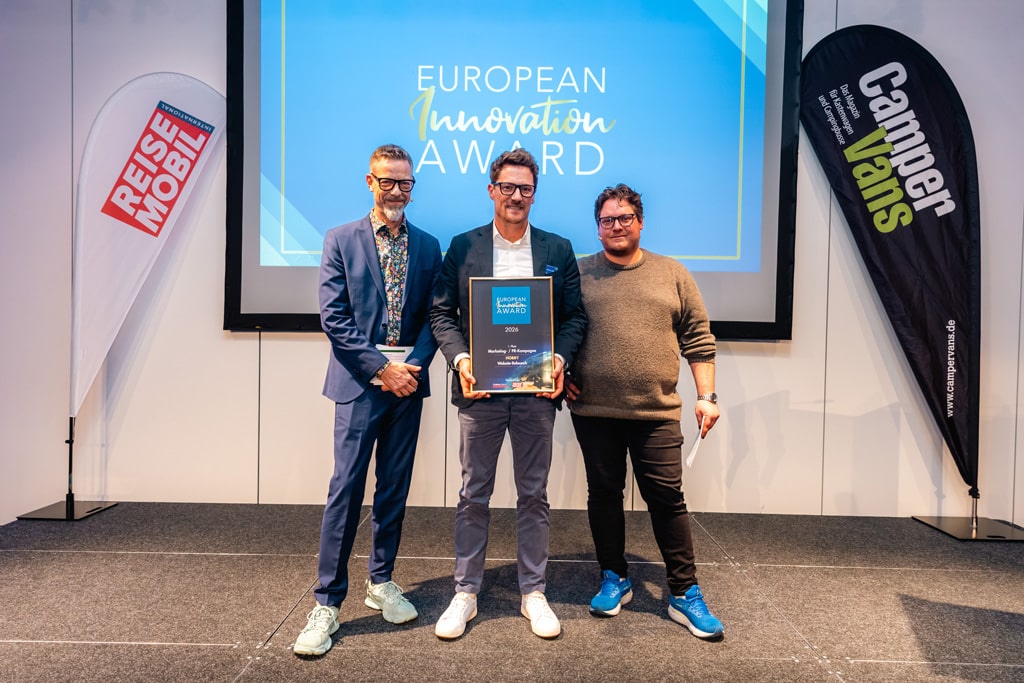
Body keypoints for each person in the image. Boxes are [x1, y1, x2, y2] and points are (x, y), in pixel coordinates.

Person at [429, 148, 587, 640]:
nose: (516, 196)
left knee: (533, 494)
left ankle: (533, 591)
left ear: (534, 195)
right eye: (508, 187)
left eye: (525, 189)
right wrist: (462, 360)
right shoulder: (463, 246)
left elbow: (575, 317)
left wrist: (558, 359)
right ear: (491, 190)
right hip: (480, 393)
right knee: (473, 493)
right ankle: (466, 592)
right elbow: (441, 313)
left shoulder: (558, 249)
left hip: (536, 393)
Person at [293, 144, 443, 656]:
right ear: (370, 182)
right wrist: (382, 369)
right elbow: (334, 318)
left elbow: (436, 316)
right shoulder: (340, 239)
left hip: (408, 385)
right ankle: (327, 602)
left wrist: (410, 368)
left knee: (393, 490)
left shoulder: (429, 246)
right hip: (361, 384)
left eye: (405, 183)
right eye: (388, 181)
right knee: (346, 490)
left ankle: (381, 581)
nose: (397, 191)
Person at [565, 183, 724, 640]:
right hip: (594, 410)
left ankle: (684, 592)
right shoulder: (579, 273)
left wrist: (707, 396)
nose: (616, 226)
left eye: (624, 218)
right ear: (597, 228)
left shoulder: (671, 272)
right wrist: (562, 371)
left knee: (667, 499)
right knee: (604, 495)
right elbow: (559, 330)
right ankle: (614, 576)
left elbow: (698, 338)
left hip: (657, 412)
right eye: (607, 220)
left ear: (640, 222)